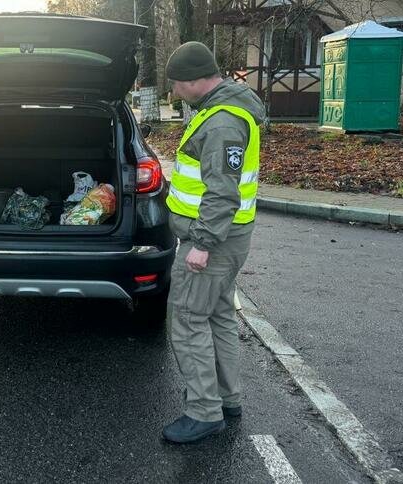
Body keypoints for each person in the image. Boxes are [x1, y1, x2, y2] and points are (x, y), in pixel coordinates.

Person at [160, 42, 266, 444]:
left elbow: (222, 192)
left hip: (212, 241)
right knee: (218, 315)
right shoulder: (222, 109)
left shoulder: (222, 122)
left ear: (192, 80)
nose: (174, 92)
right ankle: (226, 398)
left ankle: (203, 412)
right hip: (227, 238)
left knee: (188, 319)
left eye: (175, 84)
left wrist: (201, 244)